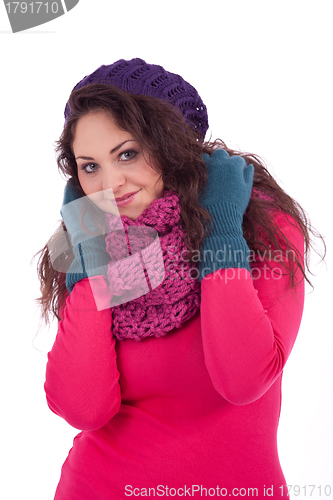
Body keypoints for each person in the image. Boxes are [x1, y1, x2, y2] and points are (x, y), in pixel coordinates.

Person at [35, 58, 323, 499]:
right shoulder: (90, 244)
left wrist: (220, 228)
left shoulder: (260, 229)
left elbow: (242, 380)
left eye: (127, 153)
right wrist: (89, 250)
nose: (109, 183)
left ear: (171, 143)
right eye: (89, 166)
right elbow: (84, 406)